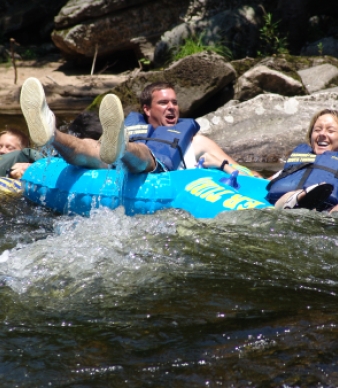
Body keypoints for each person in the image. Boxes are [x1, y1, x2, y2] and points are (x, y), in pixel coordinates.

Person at [20, 77, 259, 177]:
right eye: (164, 103)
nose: (172, 108)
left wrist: (224, 165)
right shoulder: (132, 127)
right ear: (147, 109)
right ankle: (51, 133)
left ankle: (122, 148)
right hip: (113, 163)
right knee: (93, 147)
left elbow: (249, 175)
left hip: (157, 170)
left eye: (175, 103)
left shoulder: (197, 142)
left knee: (142, 154)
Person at [267, 108, 338, 212]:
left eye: (330, 131)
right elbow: (263, 182)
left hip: (329, 208)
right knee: (288, 196)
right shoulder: (301, 157)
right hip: (284, 201)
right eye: (317, 130)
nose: (322, 134)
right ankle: (296, 199)